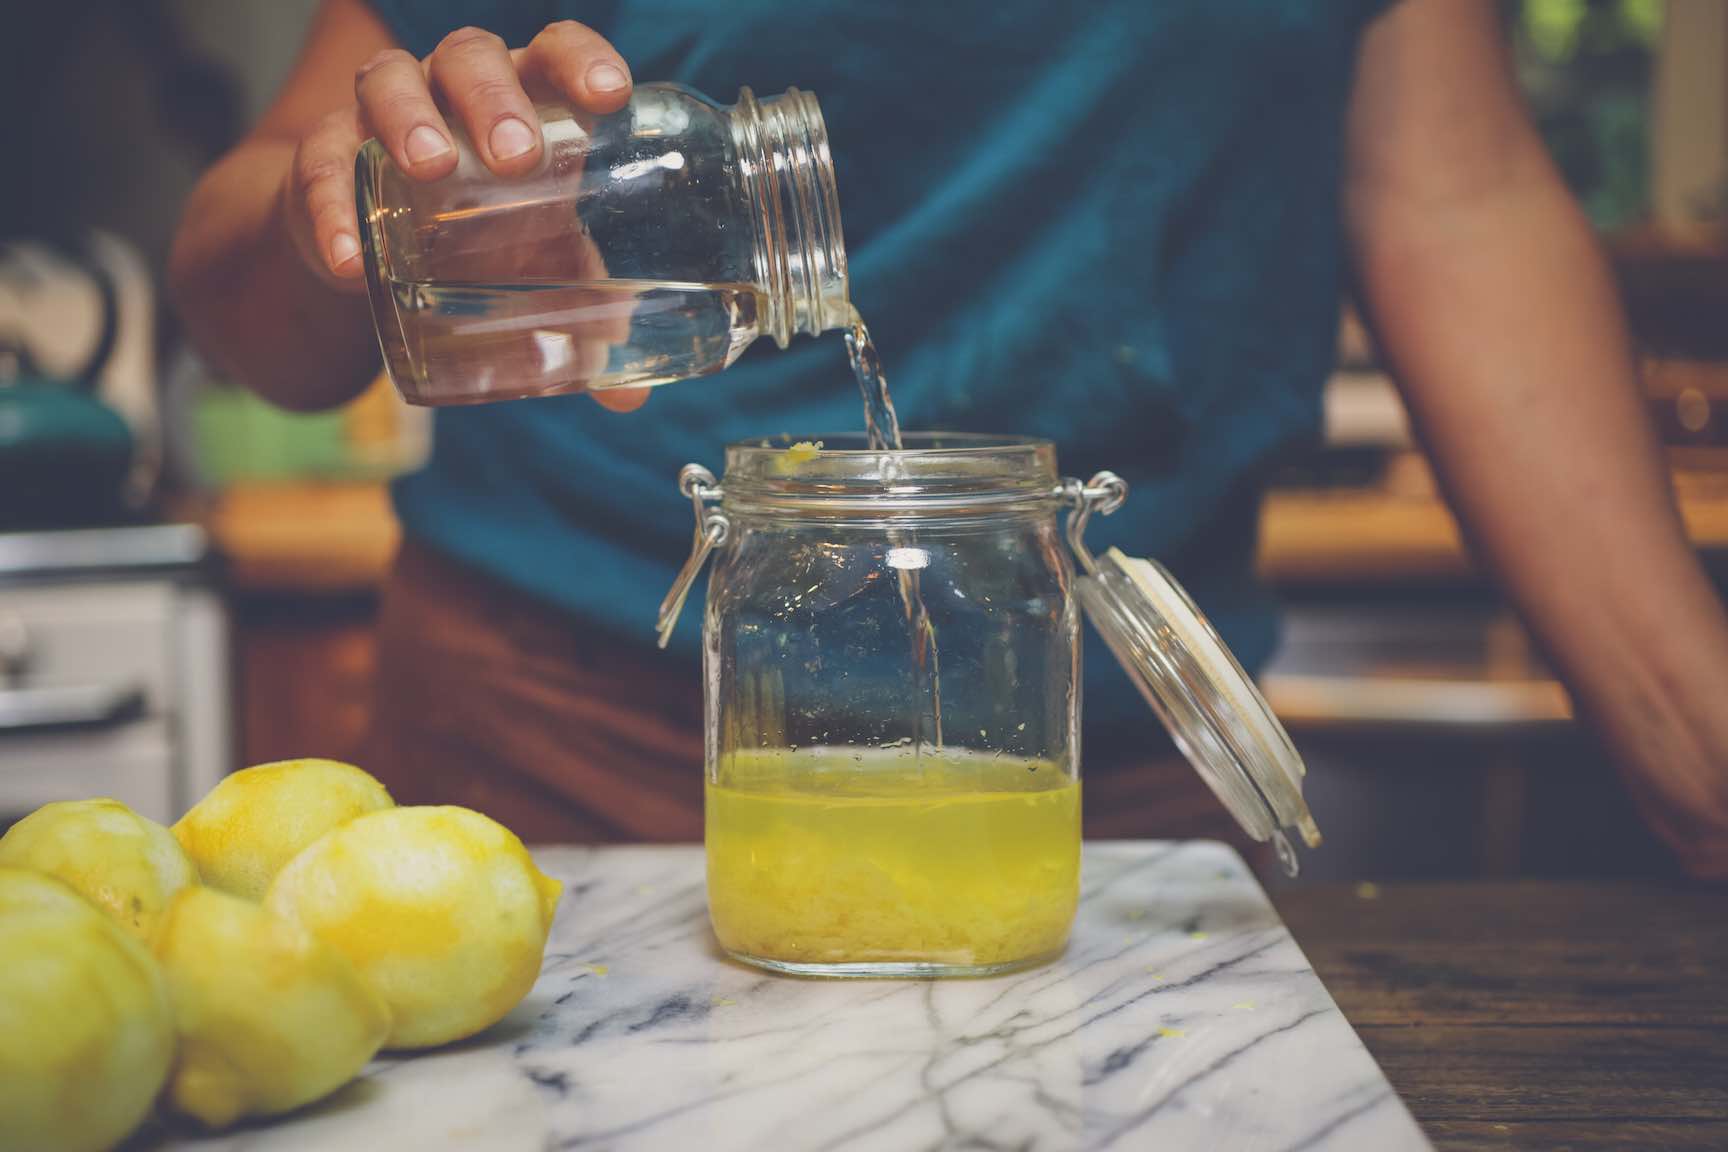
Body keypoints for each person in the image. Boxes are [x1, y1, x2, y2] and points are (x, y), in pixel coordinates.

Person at [171, 0, 1728, 877]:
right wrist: (360, 235)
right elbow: (244, 283)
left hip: (1105, 778)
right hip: (571, 747)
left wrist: (1695, 730)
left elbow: (1453, 196)